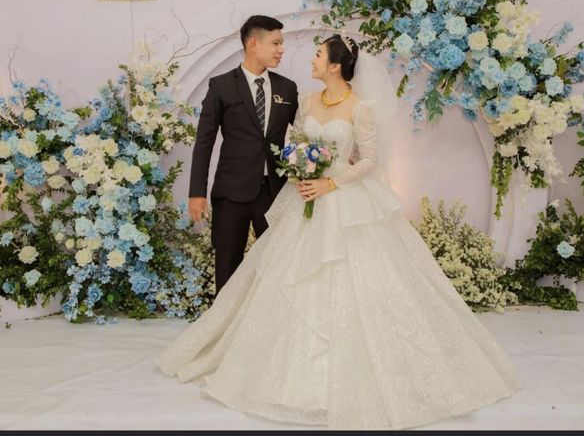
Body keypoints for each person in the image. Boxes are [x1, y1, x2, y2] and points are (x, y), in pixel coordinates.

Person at [157, 34, 521, 430]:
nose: (310, 60)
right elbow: (295, 143)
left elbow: (368, 160)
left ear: (334, 65)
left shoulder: (360, 107)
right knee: (288, 276)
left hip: (343, 198)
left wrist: (330, 182)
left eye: (318, 55)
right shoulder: (307, 102)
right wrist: (299, 167)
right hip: (305, 196)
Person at [188, 15, 298, 294]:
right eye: (275, 43)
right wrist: (197, 193)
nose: (281, 50)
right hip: (230, 194)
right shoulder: (221, 86)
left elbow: (302, 136)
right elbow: (204, 142)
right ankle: (225, 321)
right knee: (228, 268)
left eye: (281, 43)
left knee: (276, 267)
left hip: (274, 193)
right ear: (253, 43)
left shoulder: (287, 88)